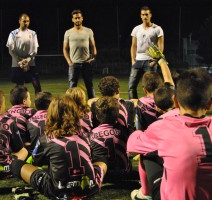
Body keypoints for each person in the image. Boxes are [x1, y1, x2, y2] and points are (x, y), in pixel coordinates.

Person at [128, 67, 212, 200]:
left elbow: (132, 145)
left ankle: (145, 194)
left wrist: (140, 132)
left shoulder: (163, 127)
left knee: (148, 153)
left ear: (177, 102)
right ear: (209, 104)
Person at [11, 95, 107, 199]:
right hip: (89, 188)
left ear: (51, 114)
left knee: (16, 164)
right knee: (101, 159)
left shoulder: (45, 139)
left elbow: (37, 161)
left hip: (59, 190)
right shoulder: (86, 135)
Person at [90, 97, 131, 181]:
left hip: (102, 175)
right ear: (117, 116)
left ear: (97, 116)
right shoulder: (126, 131)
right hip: (124, 173)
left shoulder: (90, 135)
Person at [128, 6, 164, 99]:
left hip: (150, 61)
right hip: (138, 61)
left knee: (152, 88)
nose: (145, 16)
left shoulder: (157, 29)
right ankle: (134, 109)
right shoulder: (136, 29)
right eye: (143, 15)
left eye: (147, 14)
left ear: (150, 15)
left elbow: (161, 46)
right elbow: (133, 45)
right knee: (131, 87)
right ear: (140, 16)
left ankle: (151, 107)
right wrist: (133, 60)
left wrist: (155, 61)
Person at [63, 9, 97, 99]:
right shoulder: (68, 32)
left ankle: (92, 105)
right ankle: (70, 105)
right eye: (75, 18)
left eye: (79, 18)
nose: (77, 20)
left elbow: (93, 46)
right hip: (74, 64)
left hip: (86, 63)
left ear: (82, 18)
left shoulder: (88, 31)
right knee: (72, 87)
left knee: (90, 86)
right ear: (72, 20)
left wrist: (93, 57)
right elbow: (65, 49)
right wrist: (69, 62)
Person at [6, 13, 42, 94]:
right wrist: (20, 61)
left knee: (37, 87)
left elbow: (35, 50)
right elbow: (11, 50)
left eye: (28, 21)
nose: (26, 23)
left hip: (30, 64)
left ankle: (39, 105)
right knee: (19, 89)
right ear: (19, 21)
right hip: (17, 64)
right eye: (24, 21)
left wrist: (27, 60)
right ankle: (19, 106)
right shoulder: (13, 33)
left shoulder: (33, 33)